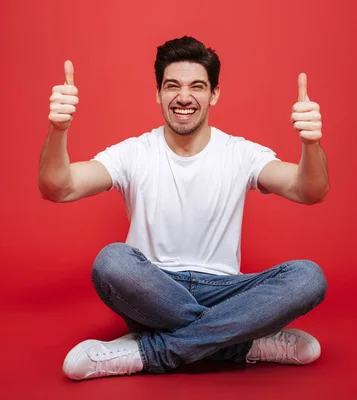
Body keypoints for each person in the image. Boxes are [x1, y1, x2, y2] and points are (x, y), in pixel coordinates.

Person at [38, 36, 329, 380]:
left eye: (197, 86)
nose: (184, 97)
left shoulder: (240, 153)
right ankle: (240, 343)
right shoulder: (134, 152)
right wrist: (58, 130)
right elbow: (59, 188)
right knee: (112, 262)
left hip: (226, 292)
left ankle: (150, 352)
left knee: (308, 278)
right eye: (172, 85)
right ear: (158, 93)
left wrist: (312, 144)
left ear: (214, 94)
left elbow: (309, 191)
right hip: (154, 293)